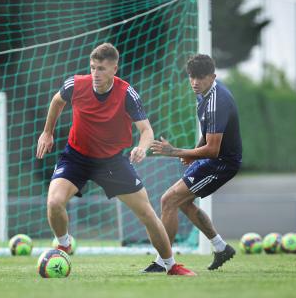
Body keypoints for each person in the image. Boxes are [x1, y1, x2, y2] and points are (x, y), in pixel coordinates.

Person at [36, 43, 196, 276]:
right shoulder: (75, 84)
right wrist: (47, 132)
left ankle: (171, 265)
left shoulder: (127, 93)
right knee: (53, 202)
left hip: (112, 162)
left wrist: (141, 148)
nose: (95, 74)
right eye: (92, 68)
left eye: (101, 68)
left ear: (114, 69)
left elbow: (147, 131)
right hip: (76, 157)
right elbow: (57, 101)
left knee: (148, 214)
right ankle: (64, 244)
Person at [145, 54, 241, 272]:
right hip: (213, 158)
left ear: (213, 76)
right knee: (183, 202)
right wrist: (191, 154)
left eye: (200, 77)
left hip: (222, 163)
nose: (195, 82)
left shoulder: (218, 101)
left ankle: (163, 262)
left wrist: (175, 151)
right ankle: (221, 247)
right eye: (192, 77)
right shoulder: (203, 94)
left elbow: (214, 149)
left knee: (168, 200)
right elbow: (208, 135)